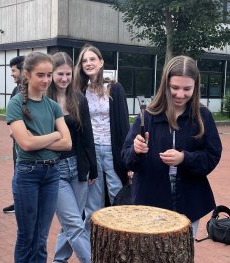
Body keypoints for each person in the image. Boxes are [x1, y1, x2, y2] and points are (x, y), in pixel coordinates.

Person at [122, 55, 222, 238]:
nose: (180, 94)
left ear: (196, 87)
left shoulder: (203, 116)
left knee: (182, 259)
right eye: (175, 87)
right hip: (150, 199)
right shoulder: (148, 116)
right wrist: (135, 151)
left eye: (187, 89)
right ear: (165, 84)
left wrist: (185, 158)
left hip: (189, 199)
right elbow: (127, 159)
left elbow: (212, 156)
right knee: (152, 258)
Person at [6, 52, 72, 263]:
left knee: (40, 239)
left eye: (49, 75)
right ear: (28, 75)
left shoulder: (54, 106)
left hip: (51, 174)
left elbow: (67, 143)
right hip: (28, 176)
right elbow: (25, 145)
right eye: (41, 75)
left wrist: (42, 140)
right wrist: (53, 136)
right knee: (27, 239)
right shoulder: (15, 105)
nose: (46, 80)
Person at [47, 52, 97, 263]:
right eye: (60, 74)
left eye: (68, 74)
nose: (64, 78)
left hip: (78, 167)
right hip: (55, 170)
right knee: (75, 225)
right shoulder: (43, 101)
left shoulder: (78, 98)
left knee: (73, 222)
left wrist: (92, 169)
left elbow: (87, 136)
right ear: (51, 74)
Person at [74, 44, 129, 232]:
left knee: (117, 192)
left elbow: (123, 126)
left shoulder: (114, 88)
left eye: (92, 59)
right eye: (84, 60)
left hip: (112, 150)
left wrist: (128, 159)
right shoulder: (79, 91)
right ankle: (92, 244)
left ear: (101, 62)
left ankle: (121, 236)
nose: (88, 63)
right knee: (93, 200)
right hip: (92, 150)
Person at [3, 55, 25, 214]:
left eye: (13, 70)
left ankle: (24, 203)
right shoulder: (15, 90)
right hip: (16, 141)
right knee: (17, 171)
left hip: (27, 142)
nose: (11, 74)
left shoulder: (33, 91)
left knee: (24, 172)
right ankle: (18, 202)